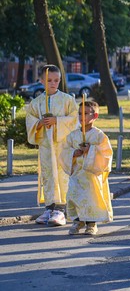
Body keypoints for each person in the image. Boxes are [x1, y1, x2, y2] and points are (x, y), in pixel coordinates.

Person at [25, 64, 78, 227]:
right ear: (41, 81)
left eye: (56, 80)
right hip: (46, 147)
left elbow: (75, 119)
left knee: (62, 174)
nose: (52, 83)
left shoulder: (67, 100)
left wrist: (58, 121)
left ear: (60, 81)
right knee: (48, 174)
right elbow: (30, 121)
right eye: (49, 80)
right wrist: (39, 123)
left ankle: (62, 209)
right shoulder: (36, 103)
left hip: (63, 145)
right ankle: (49, 207)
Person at [59, 100, 113, 236]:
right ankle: (78, 221)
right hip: (77, 174)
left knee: (91, 198)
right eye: (79, 113)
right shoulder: (73, 135)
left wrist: (91, 150)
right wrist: (74, 153)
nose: (82, 116)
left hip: (91, 176)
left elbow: (106, 153)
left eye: (85, 113)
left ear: (94, 116)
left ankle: (91, 224)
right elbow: (64, 150)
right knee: (74, 196)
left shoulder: (99, 135)